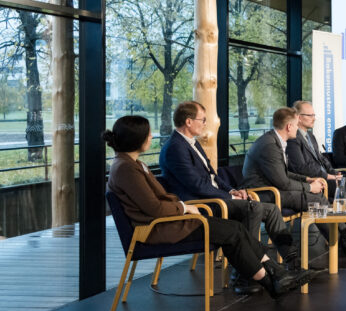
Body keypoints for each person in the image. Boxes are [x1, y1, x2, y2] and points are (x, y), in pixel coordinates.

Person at [105, 115, 310, 300]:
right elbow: (154, 208)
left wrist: (184, 208)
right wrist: (184, 208)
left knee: (236, 229)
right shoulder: (125, 169)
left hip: (171, 221)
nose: (151, 136)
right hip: (160, 228)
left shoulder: (131, 164)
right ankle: (271, 281)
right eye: (148, 133)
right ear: (137, 138)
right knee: (232, 231)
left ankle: (275, 275)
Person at [158, 100, 299, 292]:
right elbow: (197, 185)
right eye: (202, 120)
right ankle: (243, 275)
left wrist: (232, 191)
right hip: (202, 204)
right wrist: (230, 198)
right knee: (252, 208)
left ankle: (292, 261)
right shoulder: (175, 148)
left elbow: (212, 177)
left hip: (217, 198)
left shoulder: (192, 143)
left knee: (272, 209)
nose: (205, 124)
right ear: (189, 122)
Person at [243, 107, 346, 259]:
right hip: (263, 193)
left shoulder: (274, 140)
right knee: (314, 198)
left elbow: (283, 173)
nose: (297, 129)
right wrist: (310, 187)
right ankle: (343, 237)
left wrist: (307, 179)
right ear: (289, 126)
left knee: (317, 198)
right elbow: (283, 183)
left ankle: (343, 237)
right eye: (295, 125)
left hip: (274, 188)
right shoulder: (270, 145)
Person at [286, 100, 346, 207]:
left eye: (314, 115)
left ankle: (343, 214)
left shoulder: (310, 136)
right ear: (299, 117)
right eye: (310, 115)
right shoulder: (293, 138)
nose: (314, 118)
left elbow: (321, 158)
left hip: (325, 176)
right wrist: (328, 176)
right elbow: (301, 168)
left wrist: (334, 173)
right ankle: (338, 215)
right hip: (314, 179)